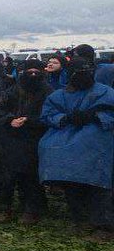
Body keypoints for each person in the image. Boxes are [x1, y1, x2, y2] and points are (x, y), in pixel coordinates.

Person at [38, 58, 114, 232]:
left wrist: (96, 116)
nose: (82, 75)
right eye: (78, 72)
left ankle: (103, 225)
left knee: (99, 185)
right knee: (71, 181)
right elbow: (48, 115)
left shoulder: (105, 92)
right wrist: (65, 118)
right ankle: (81, 220)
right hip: (65, 140)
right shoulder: (59, 95)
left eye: (86, 71)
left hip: (97, 142)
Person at [0, 58, 48, 223]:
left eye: (36, 72)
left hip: (34, 139)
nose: (33, 75)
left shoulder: (48, 92)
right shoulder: (12, 90)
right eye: (30, 72)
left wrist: (30, 120)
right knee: (7, 177)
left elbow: (49, 116)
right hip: (10, 139)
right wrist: (10, 120)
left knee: (31, 177)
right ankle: (5, 208)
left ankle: (31, 209)